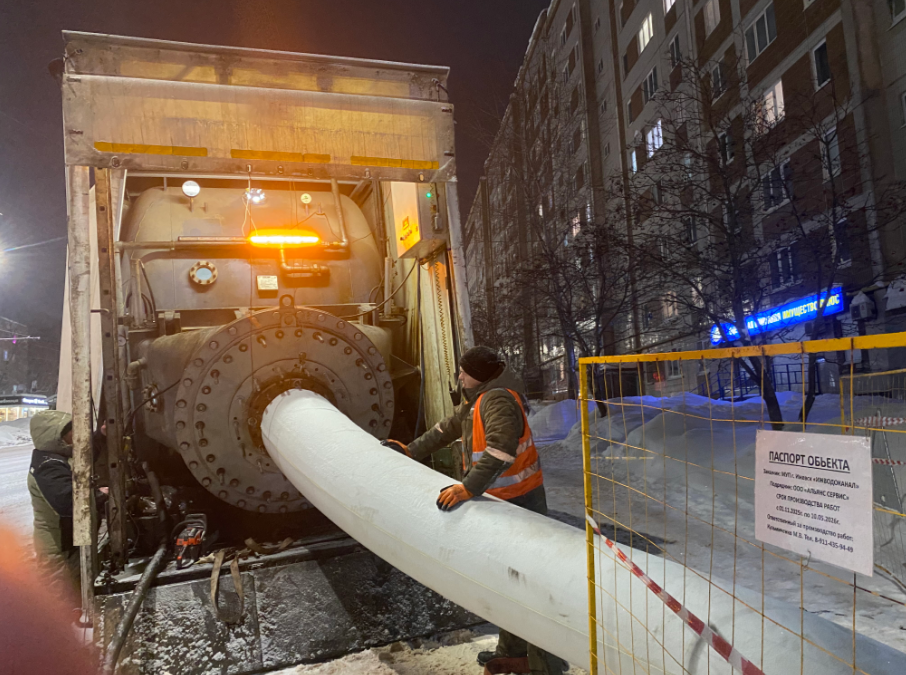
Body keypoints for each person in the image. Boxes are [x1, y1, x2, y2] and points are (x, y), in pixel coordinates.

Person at [384, 346, 567, 675]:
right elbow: (444, 430)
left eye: (463, 371)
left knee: (529, 583)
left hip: (520, 504)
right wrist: (409, 451)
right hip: (501, 502)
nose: (459, 376)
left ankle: (544, 665)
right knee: (508, 580)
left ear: (478, 376)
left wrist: (468, 487)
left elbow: (500, 450)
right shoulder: (476, 402)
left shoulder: (496, 400)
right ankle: (513, 650)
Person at [27, 410, 106, 600]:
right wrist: (99, 495)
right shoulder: (47, 467)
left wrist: (101, 436)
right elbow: (67, 501)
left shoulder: (56, 457)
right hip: (57, 551)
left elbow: (83, 460)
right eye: (71, 432)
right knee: (61, 602)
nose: (76, 435)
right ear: (55, 436)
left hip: (66, 544)